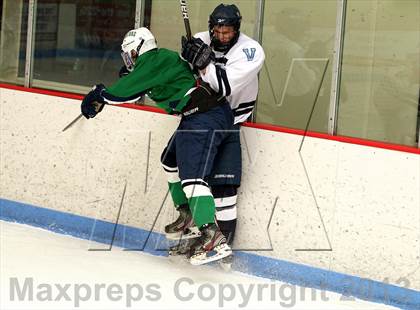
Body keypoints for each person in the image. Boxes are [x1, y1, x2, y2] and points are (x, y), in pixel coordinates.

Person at [80, 27, 233, 265]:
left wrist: (99, 94)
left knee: (192, 177)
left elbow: (123, 95)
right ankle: (187, 214)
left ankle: (212, 234)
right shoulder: (156, 61)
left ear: (139, 49)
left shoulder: (154, 60)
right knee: (169, 160)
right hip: (197, 115)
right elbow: (139, 84)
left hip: (205, 115)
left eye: (130, 54)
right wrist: (127, 82)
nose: (129, 60)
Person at [176, 4, 265, 257]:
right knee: (192, 180)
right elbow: (182, 76)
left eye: (227, 32)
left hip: (230, 123)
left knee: (225, 190)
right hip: (200, 120)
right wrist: (186, 58)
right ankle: (197, 235)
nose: (222, 36)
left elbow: (224, 86)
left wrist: (203, 63)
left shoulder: (251, 51)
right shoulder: (201, 40)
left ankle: (223, 244)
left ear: (236, 29)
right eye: (217, 31)